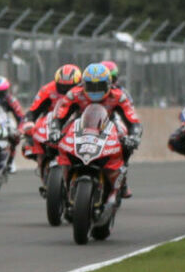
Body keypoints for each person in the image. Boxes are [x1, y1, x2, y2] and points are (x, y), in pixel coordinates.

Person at [44, 62, 141, 195]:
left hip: (109, 123)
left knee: (126, 140)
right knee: (54, 140)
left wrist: (134, 136)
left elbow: (133, 121)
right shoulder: (74, 94)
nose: (95, 90)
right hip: (79, 123)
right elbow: (60, 116)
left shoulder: (119, 96)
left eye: (99, 86)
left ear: (108, 84)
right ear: (83, 84)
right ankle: (62, 169)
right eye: (91, 86)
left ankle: (121, 177)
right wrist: (55, 130)